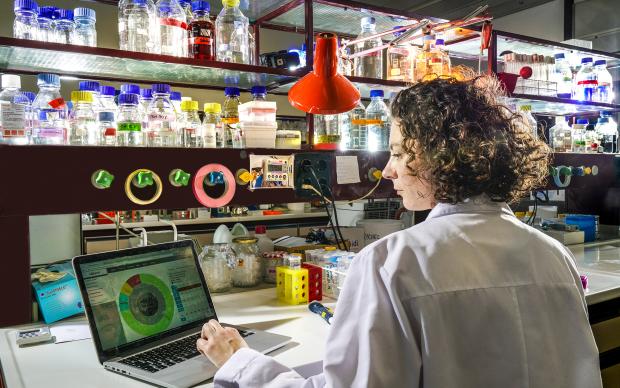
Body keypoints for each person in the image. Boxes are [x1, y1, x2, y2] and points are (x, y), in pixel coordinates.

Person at [196, 76, 602, 387]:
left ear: (443, 158)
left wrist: (242, 363)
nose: (389, 170)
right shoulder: (552, 254)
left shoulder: (391, 263)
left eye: (399, 152)